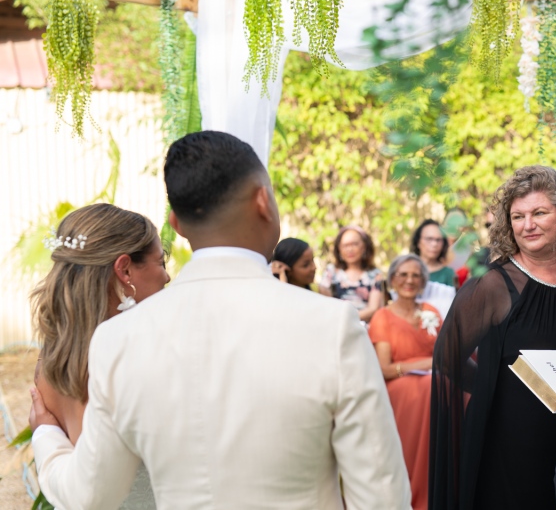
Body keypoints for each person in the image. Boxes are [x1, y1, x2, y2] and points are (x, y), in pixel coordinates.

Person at [29, 131, 411, 509]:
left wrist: (47, 436)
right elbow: (381, 496)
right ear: (263, 200)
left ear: (176, 224)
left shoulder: (117, 340)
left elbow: (90, 495)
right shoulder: (333, 326)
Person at [430, 165, 556, 509]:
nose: (527, 225)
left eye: (539, 213)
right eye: (517, 216)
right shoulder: (494, 285)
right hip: (511, 438)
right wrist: (494, 385)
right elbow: (447, 357)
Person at [31, 203, 169, 510]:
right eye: (161, 261)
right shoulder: (137, 363)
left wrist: (45, 433)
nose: (167, 276)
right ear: (124, 270)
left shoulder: (50, 365)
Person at [369, 254, 441, 510]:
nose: (409, 280)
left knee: (451, 389)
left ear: (423, 281)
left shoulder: (430, 312)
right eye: (403, 275)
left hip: (435, 380)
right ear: (392, 280)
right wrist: (423, 364)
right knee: (423, 388)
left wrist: (434, 365)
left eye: (416, 275)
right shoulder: (383, 317)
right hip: (399, 383)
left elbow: (444, 353)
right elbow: (384, 368)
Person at [319, 225, 384, 323]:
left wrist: (348, 319)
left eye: (354, 244)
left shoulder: (375, 274)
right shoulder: (331, 271)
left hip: (364, 329)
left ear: (364, 247)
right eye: (345, 245)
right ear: (339, 249)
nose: (350, 249)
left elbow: (373, 308)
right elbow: (325, 301)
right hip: (336, 325)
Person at [411, 220, 455, 287]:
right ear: (418, 242)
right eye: (429, 239)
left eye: (438, 240)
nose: (434, 244)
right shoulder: (406, 270)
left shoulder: (448, 274)